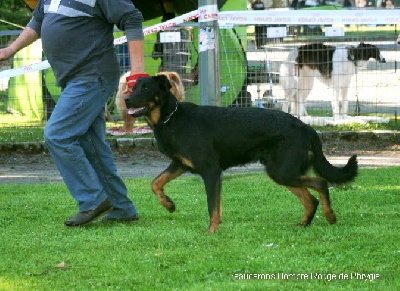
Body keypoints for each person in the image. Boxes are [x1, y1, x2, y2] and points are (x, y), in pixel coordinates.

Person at [0, 0, 145, 226]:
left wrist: (137, 73)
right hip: (74, 80)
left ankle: (92, 199)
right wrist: (10, 50)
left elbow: (132, 18)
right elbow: (38, 22)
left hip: (92, 76)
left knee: (58, 134)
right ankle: (121, 207)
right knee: (92, 144)